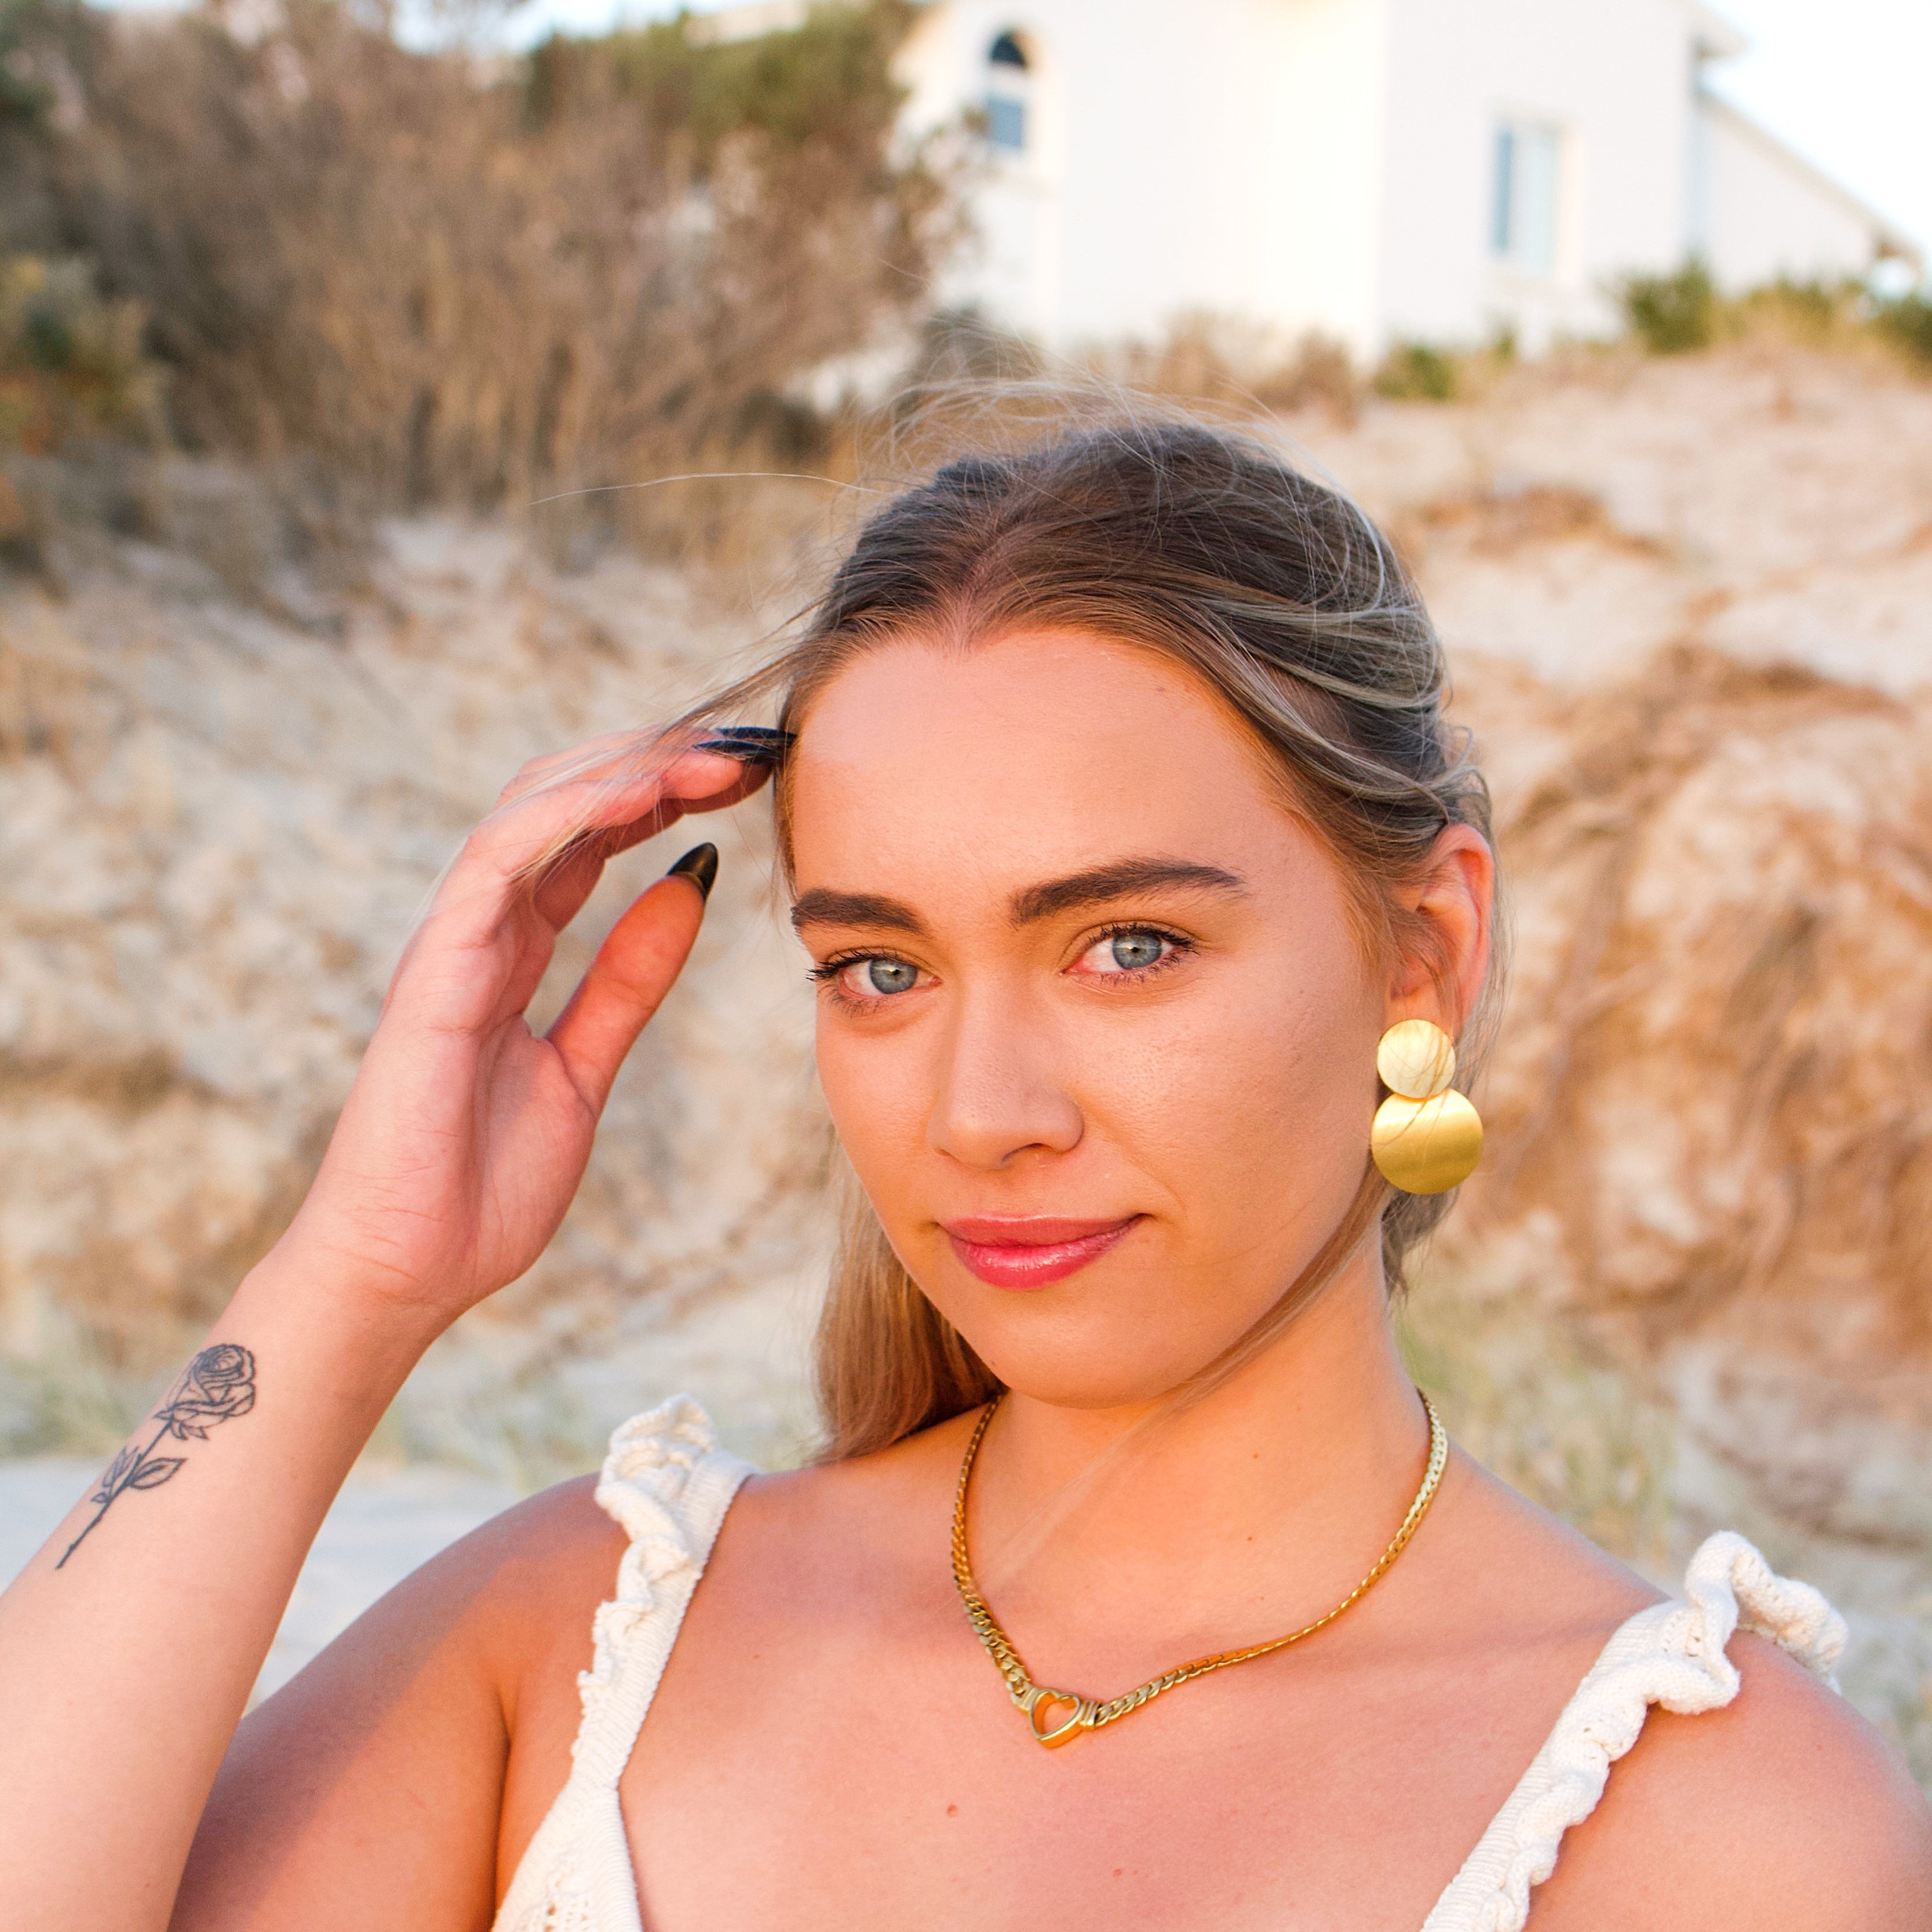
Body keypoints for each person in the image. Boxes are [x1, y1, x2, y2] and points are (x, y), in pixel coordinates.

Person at [1, 418, 1927, 1932]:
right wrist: (355, 1276)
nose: (981, 1109)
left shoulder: (1714, 1828)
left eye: (1128, 945)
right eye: (881, 969)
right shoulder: (588, 1649)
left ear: (1422, 954)